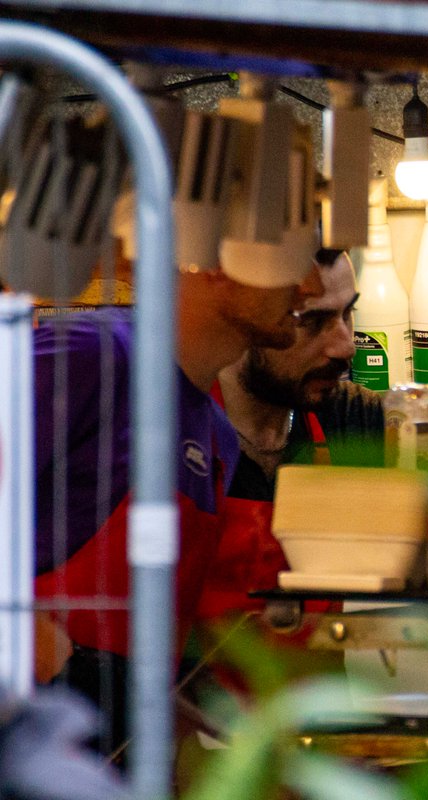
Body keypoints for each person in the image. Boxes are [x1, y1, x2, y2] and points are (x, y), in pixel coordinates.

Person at [30, 236, 322, 753]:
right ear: (217, 266)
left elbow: (145, 680)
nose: (308, 285)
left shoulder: (217, 437)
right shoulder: (94, 354)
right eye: (292, 259)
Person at [198, 248, 383, 621]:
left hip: (320, 680)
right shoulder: (180, 431)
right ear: (247, 316)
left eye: (348, 314)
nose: (346, 346)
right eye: (313, 321)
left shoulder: (353, 418)